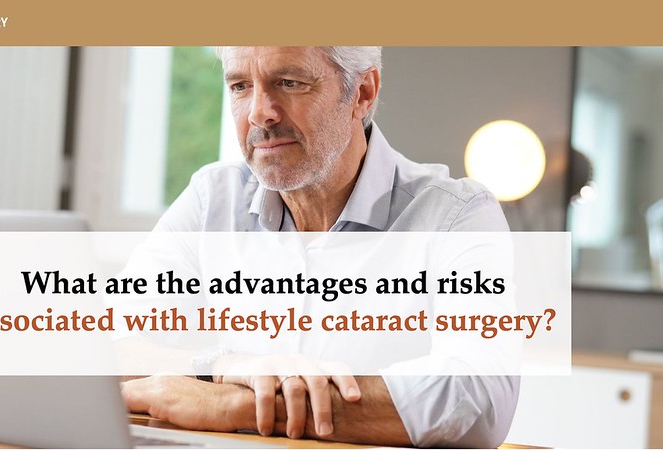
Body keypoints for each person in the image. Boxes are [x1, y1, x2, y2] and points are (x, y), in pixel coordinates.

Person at [121, 46, 519, 448]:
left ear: (362, 93)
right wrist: (220, 368)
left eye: (289, 83)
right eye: (241, 86)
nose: (260, 113)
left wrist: (234, 407)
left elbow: (478, 398)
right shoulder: (213, 198)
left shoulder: (456, 216)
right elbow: (103, 348)